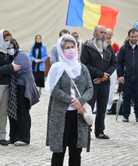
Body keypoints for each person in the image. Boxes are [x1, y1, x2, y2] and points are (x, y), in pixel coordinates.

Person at [46, 34, 93, 166]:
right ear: (61, 50)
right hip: (61, 115)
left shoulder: (82, 68)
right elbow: (53, 89)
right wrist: (72, 101)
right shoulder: (57, 68)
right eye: (67, 47)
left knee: (76, 151)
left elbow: (90, 88)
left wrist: (81, 101)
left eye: (73, 46)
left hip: (78, 116)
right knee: (58, 151)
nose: (71, 49)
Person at [81, 25, 116, 139]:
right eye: (102, 32)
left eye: (105, 33)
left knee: (102, 108)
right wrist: (100, 74)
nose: (104, 35)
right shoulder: (87, 46)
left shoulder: (108, 47)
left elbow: (113, 64)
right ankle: (86, 131)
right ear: (95, 33)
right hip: (92, 82)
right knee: (89, 107)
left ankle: (100, 131)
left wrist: (106, 75)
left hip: (105, 82)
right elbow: (84, 64)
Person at [8, 39, 40, 146]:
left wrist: (7, 68)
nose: (9, 49)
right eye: (8, 47)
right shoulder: (13, 56)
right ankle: (14, 137)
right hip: (17, 88)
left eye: (11, 47)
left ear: (15, 46)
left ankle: (24, 138)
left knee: (23, 113)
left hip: (24, 88)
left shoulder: (21, 56)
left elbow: (15, 71)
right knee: (16, 113)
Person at [117, 28, 138, 122]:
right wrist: (120, 75)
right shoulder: (123, 48)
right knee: (127, 96)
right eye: (132, 36)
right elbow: (119, 63)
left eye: (136, 36)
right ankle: (126, 115)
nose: (134, 38)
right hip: (127, 77)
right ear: (129, 37)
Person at [105, 29, 119, 114]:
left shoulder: (115, 45)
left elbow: (116, 57)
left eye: (110, 34)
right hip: (104, 69)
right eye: (107, 34)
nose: (109, 36)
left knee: (111, 87)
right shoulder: (101, 44)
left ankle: (109, 106)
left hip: (112, 69)